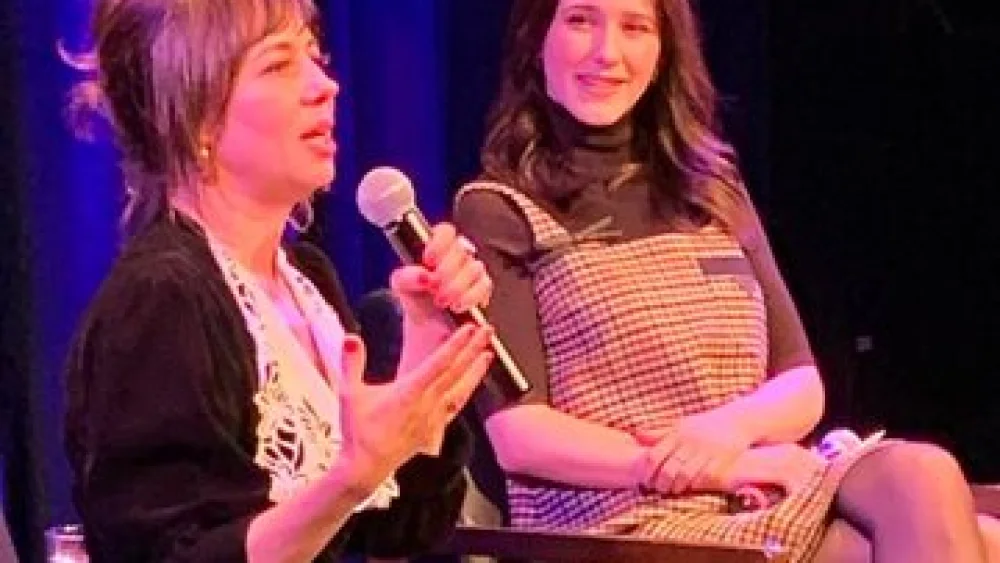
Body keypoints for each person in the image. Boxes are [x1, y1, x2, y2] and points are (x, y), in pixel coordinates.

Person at [453, 0, 1000, 561]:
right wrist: (711, 465)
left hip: (764, 485)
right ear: (536, 39)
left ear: (663, 53)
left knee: (925, 472)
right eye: (580, 21)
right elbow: (520, 436)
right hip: (623, 516)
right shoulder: (499, 211)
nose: (606, 52)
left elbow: (800, 383)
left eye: (635, 27)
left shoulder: (712, 191)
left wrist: (726, 433)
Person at [62, 0, 496, 561]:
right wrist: (349, 479)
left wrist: (425, 361)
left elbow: (399, 530)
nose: (324, 86)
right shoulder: (161, 299)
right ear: (196, 116)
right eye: (278, 65)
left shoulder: (306, 283)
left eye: (314, 58)